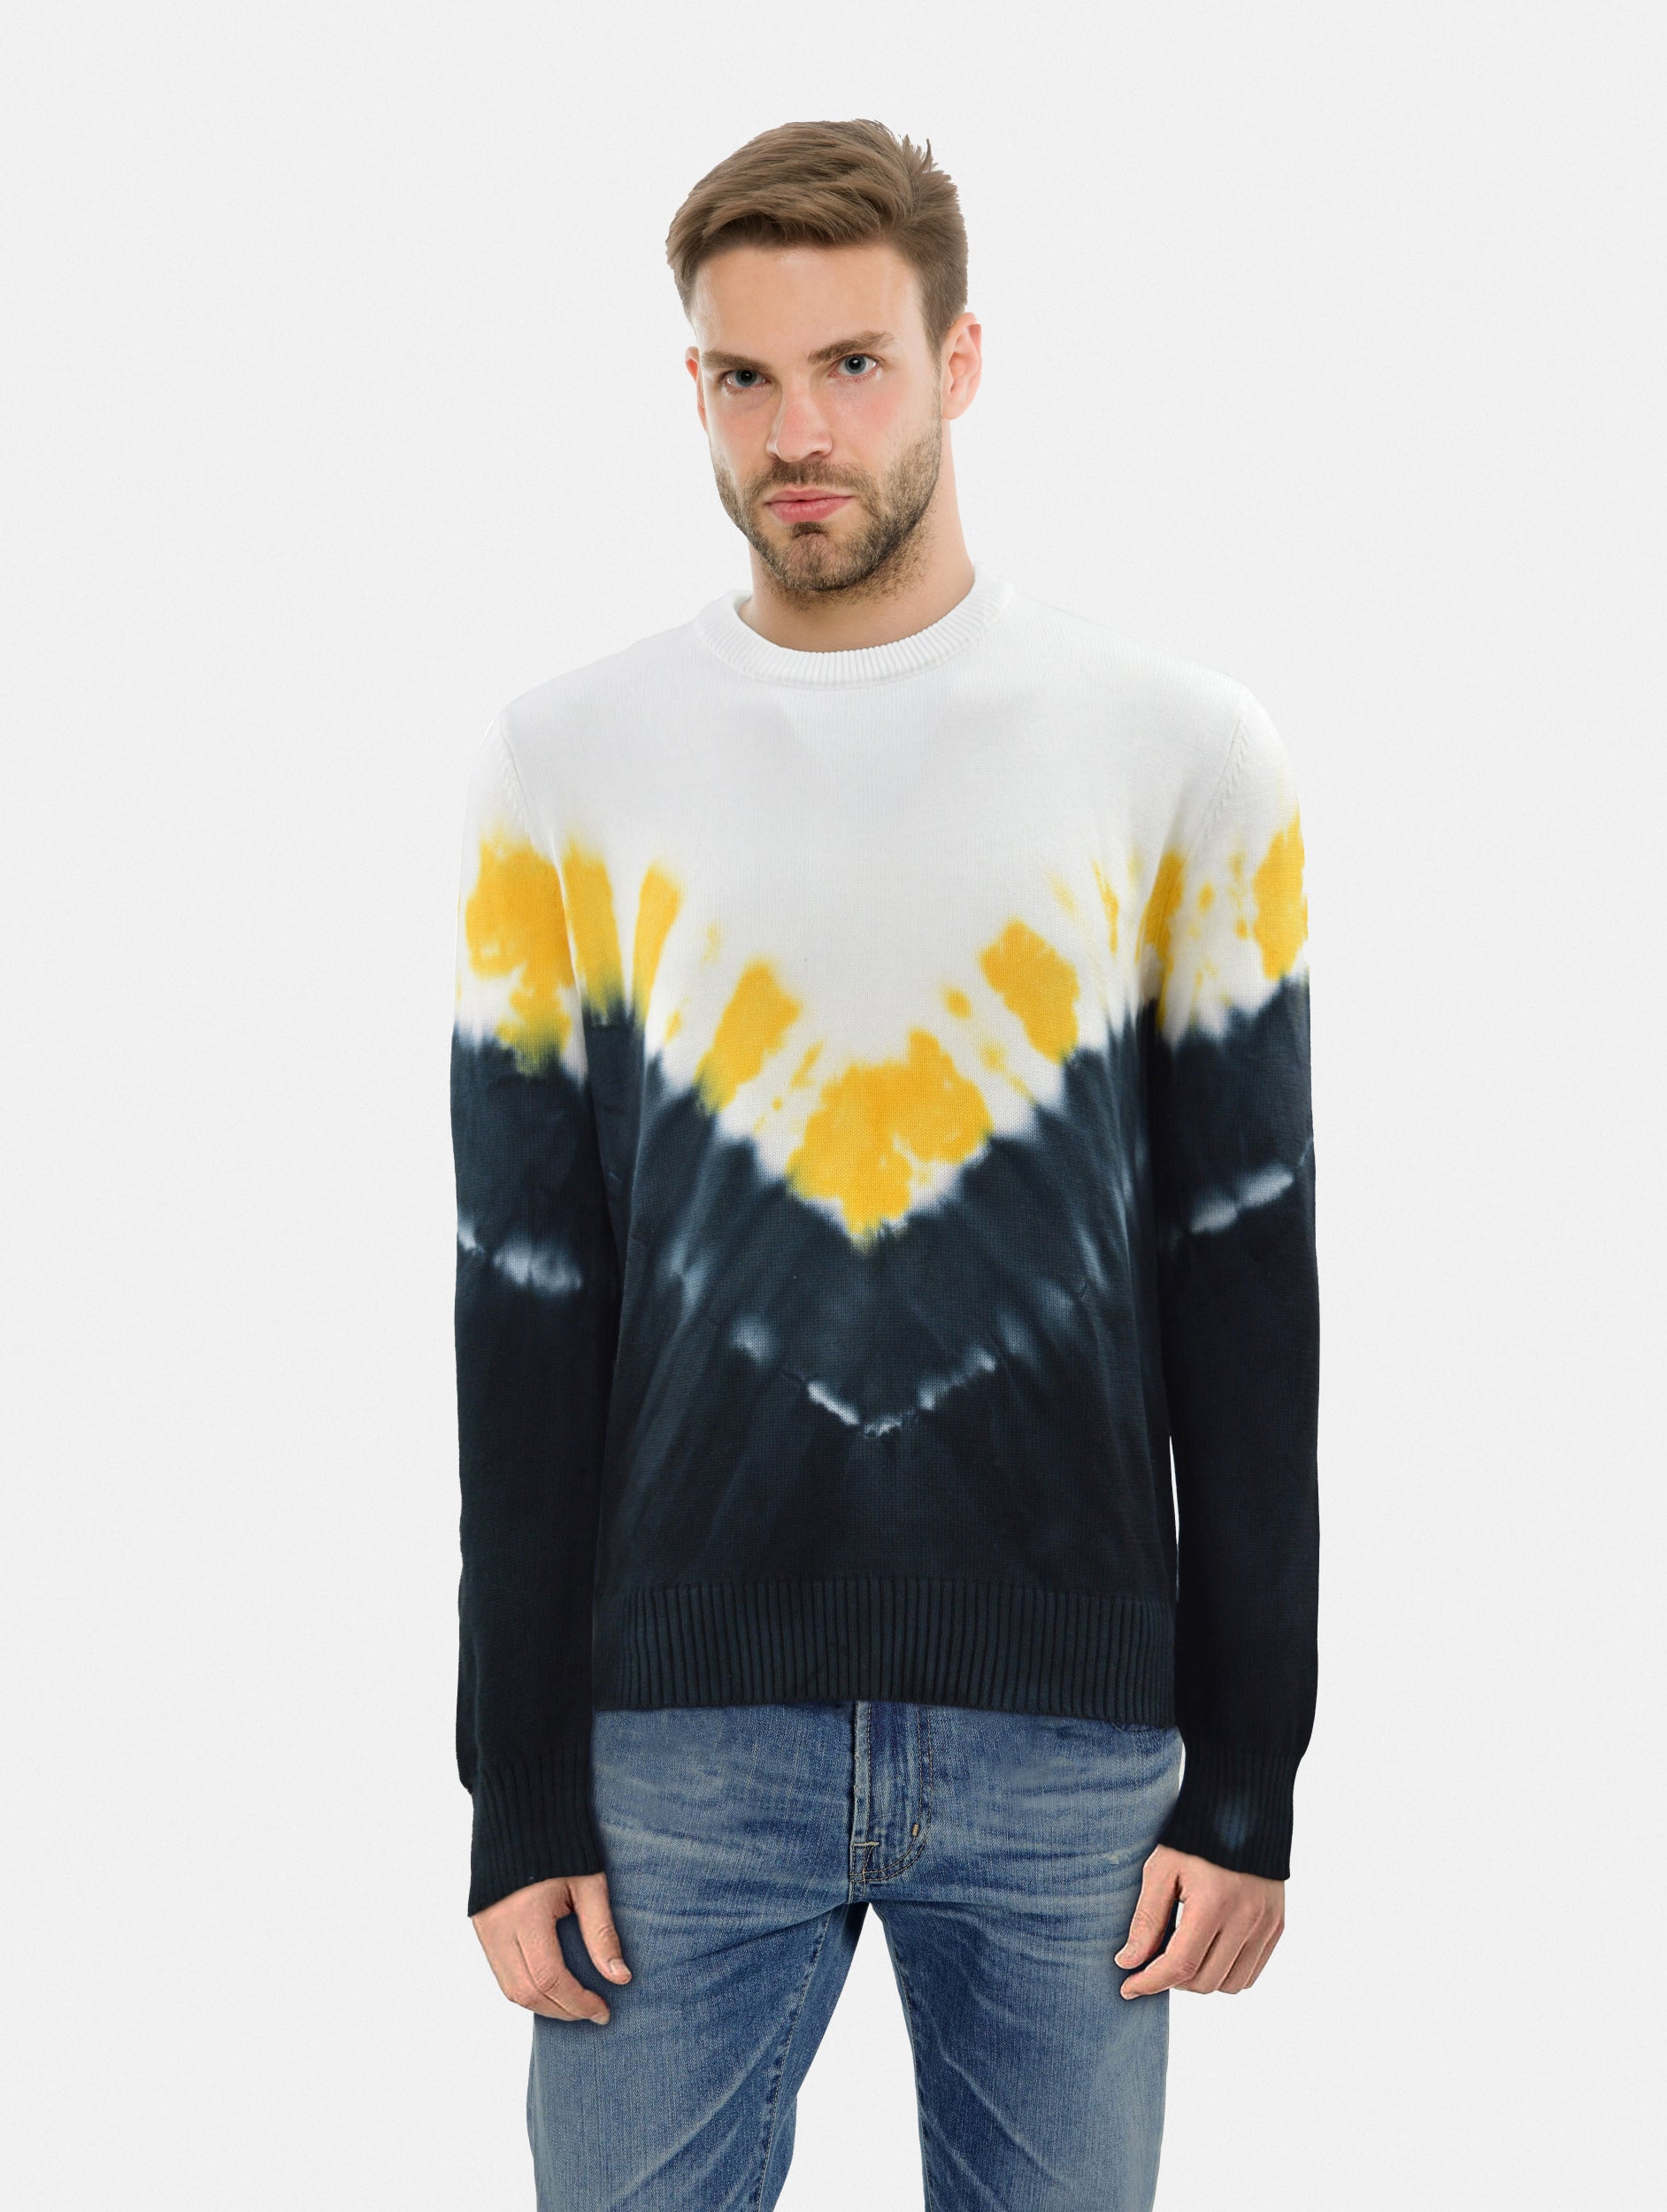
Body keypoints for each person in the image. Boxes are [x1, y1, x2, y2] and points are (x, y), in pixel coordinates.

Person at [450, 117, 1319, 2212]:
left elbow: (1244, 1278)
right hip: (669, 1751)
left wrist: (1249, 1763)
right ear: (692, 386)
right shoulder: (567, 761)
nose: (797, 433)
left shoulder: (1179, 749)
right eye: (743, 377)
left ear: (959, 363)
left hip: (1070, 1751)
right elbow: (524, 1291)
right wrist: (516, 1781)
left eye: (852, 364)